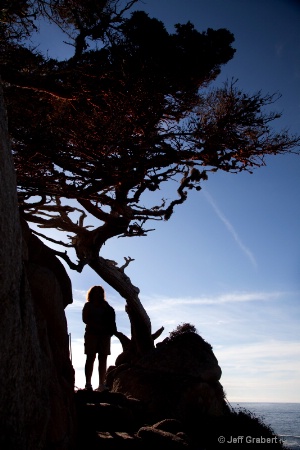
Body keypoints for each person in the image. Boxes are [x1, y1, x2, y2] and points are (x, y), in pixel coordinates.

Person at [82, 285, 117, 391]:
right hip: (91, 334)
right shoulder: (88, 305)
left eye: (99, 292)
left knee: (103, 358)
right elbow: (85, 319)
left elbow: (111, 318)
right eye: (95, 292)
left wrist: (108, 330)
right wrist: (96, 326)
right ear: (91, 294)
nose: (97, 294)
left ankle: (101, 384)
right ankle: (88, 384)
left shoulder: (106, 306)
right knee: (90, 357)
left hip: (104, 335)